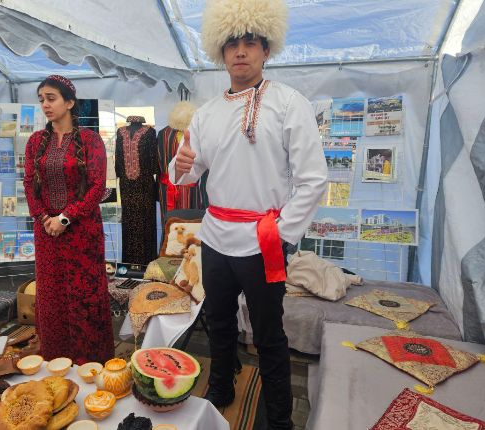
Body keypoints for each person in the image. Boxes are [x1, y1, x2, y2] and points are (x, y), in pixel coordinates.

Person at [169, 0, 327, 428]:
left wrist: (281, 232)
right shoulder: (207, 113)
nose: (241, 51)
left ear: (266, 49)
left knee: (268, 332)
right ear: (221, 52)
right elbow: (186, 174)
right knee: (218, 320)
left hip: (264, 239)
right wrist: (179, 168)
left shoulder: (290, 103)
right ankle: (221, 383)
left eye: (250, 43)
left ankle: (279, 415)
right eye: (232, 43)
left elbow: (313, 179)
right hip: (216, 236)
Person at [23, 75, 114, 365]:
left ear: (69, 102)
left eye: (51, 98)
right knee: (51, 297)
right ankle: (54, 359)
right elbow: (28, 183)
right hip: (46, 232)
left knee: (85, 296)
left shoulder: (90, 140)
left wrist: (65, 218)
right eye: (41, 100)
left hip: (82, 231)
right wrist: (43, 217)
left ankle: (91, 361)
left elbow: (97, 186)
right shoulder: (36, 141)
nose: (45, 105)